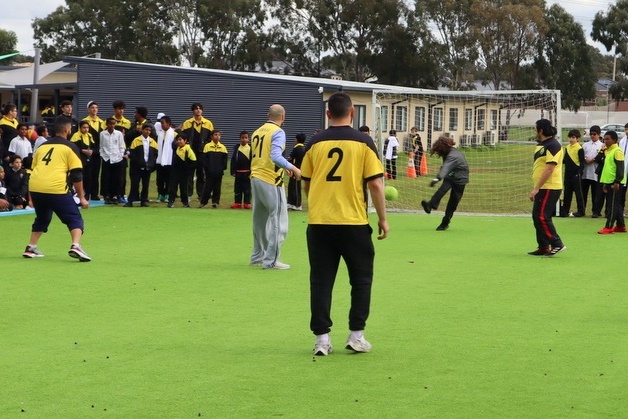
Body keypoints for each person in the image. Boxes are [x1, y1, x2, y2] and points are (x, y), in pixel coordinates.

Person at [300, 91, 389, 356]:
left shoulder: (314, 143)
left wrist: (318, 204)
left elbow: (306, 181)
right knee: (361, 280)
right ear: (352, 113)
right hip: (353, 223)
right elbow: (375, 183)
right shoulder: (363, 142)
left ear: (328, 114)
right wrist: (383, 219)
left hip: (319, 224)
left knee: (321, 281)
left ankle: (322, 339)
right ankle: (356, 335)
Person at [22, 119, 91, 262]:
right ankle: (76, 246)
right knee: (74, 218)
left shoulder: (41, 147)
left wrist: (31, 195)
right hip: (55, 188)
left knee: (43, 217)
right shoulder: (70, 147)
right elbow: (77, 174)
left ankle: (31, 247)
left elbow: (34, 169)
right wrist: (82, 197)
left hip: (36, 187)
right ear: (67, 130)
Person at [249, 104, 301, 270]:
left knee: (259, 220)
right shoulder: (278, 132)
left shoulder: (258, 131)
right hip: (270, 180)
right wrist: (293, 168)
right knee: (278, 219)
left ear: (267, 115)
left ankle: (258, 256)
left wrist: (283, 166)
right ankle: (271, 260)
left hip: (255, 177)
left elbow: (266, 155)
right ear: (283, 117)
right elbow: (275, 156)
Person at [528, 119, 566, 257]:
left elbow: (549, 169)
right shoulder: (542, 145)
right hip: (542, 187)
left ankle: (557, 243)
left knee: (543, 216)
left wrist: (536, 188)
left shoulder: (553, 145)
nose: (534, 131)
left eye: (535, 128)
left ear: (541, 130)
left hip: (550, 187)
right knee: (536, 216)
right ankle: (543, 246)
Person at [420, 135, 469, 231]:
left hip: (460, 179)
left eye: (439, 151)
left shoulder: (452, 155)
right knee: (442, 190)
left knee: (453, 203)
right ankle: (430, 205)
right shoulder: (447, 153)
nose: (438, 153)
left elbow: (446, 167)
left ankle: (445, 222)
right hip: (451, 176)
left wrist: (437, 179)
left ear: (443, 148)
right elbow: (445, 167)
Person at [181, 103, 214, 200]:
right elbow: (183, 137)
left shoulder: (208, 123)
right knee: (189, 173)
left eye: (200, 109)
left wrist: (205, 147)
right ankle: (188, 194)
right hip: (190, 152)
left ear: (202, 110)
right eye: (196, 109)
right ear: (193, 111)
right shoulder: (187, 123)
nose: (198, 110)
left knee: (201, 173)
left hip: (202, 152)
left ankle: (201, 194)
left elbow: (211, 137)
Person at [596, 130, 626, 234]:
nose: (605, 141)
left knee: (611, 205)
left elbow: (620, 167)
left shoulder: (617, 151)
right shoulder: (608, 151)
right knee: (616, 205)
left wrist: (617, 182)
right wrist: (605, 183)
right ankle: (621, 226)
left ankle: (608, 227)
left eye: (608, 139)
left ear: (614, 140)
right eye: (605, 139)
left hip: (615, 182)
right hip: (608, 181)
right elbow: (608, 168)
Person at [124, 124, 158, 207]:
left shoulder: (152, 141)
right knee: (134, 184)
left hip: (147, 167)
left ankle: (144, 200)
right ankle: (130, 201)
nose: (148, 132)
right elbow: (132, 153)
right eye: (146, 129)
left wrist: (150, 163)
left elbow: (155, 154)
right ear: (142, 130)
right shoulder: (136, 140)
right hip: (137, 167)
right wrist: (139, 162)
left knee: (145, 185)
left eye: (149, 130)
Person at [82, 101, 106, 200]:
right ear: (88, 109)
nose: (94, 109)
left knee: (96, 172)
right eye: (92, 107)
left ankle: (95, 193)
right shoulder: (84, 121)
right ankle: (86, 193)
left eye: (96, 107)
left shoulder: (102, 122)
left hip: (98, 151)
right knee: (87, 173)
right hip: (87, 150)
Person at [100, 117, 127, 204]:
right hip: (106, 158)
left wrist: (120, 155)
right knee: (106, 178)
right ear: (107, 124)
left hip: (117, 159)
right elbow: (101, 146)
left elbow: (121, 146)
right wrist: (103, 155)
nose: (112, 126)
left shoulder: (118, 134)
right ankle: (107, 196)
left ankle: (115, 196)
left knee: (116, 178)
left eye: (113, 124)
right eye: (110, 124)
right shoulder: (103, 134)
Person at [560, 129, 585, 217]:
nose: (571, 139)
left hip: (576, 174)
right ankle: (565, 211)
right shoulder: (567, 148)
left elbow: (582, 162)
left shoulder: (580, 149)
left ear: (578, 139)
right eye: (570, 137)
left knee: (578, 194)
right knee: (567, 193)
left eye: (573, 137)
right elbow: (565, 160)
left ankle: (581, 211)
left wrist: (579, 173)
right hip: (567, 174)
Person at [199, 129, 228, 208]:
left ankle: (215, 202)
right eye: (215, 135)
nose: (217, 136)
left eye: (219, 135)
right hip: (209, 172)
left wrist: (222, 168)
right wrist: (207, 169)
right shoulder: (207, 146)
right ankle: (203, 202)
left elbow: (224, 161)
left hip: (219, 172)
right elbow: (204, 160)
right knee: (207, 188)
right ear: (211, 136)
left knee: (217, 188)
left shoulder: (223, 147)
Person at [167, 132, 196, 208]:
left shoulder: (188, 149)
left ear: (185, 140)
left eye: (180, 140)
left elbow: (194, 161)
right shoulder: (176, 148)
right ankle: (171, 201)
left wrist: (189, 171)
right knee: (172, 187)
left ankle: (185, 202)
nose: (179, 141)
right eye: (177, 140)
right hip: (175, 171)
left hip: (184, 172)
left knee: (183, 188)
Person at [582, 125, 604, 218]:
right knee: (584, 193)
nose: (592, 136)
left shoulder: (602, 145)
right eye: (591, 134)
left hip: (596, 173)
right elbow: (581, 156)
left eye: (594, 134)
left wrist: (593, 159)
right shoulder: (585, 145)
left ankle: (596, 211)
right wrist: (585, 159)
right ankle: (581, 210)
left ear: (599, 135)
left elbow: (602, 158)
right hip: (585, 173)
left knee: (596, 194)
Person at [70, 121, 95, 200]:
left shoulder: (89, 136)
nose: (86, 129)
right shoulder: (76, 136)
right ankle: (79, 193)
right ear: (80, 128)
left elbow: (93, 146)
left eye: (87, 127)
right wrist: (83, 151)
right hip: (80, 159)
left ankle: (87, 194)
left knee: (89, 177)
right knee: (81, 176)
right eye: (84, 127)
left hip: (89, 159)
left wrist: (91, 151)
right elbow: (73, 147)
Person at [155, 115, 175, 202]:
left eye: (163, 123)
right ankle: (160, 194)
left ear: (168, 123)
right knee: (159, 179)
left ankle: (167, 194)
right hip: (159, 160)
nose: (162, 125)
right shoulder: (160, 133)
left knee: (169, 179)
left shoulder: (173, 134)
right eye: (161, 123)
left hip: (169, 160)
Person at [230, 130, 252, 209]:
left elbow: (253, 161)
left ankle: (247, 203)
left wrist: (252, 171)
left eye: (246, 138)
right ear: (240, 138)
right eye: (242, 138)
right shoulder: (237, 148)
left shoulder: (250, 148)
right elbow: (233, 160)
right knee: (237, 188)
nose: (244, 139)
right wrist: (232, 171)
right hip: (238, 172)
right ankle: (237, 202)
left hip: (247, 173)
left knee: (247, 189)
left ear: (248, 139)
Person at [287, 133, 306, 211]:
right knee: (291, 186)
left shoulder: (297, 148)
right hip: (298, 170)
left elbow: (291, 158)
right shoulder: (304, 148)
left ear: (297, 140)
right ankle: (291, 203)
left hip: (296, 170)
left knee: (295, 187)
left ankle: (297, 204)